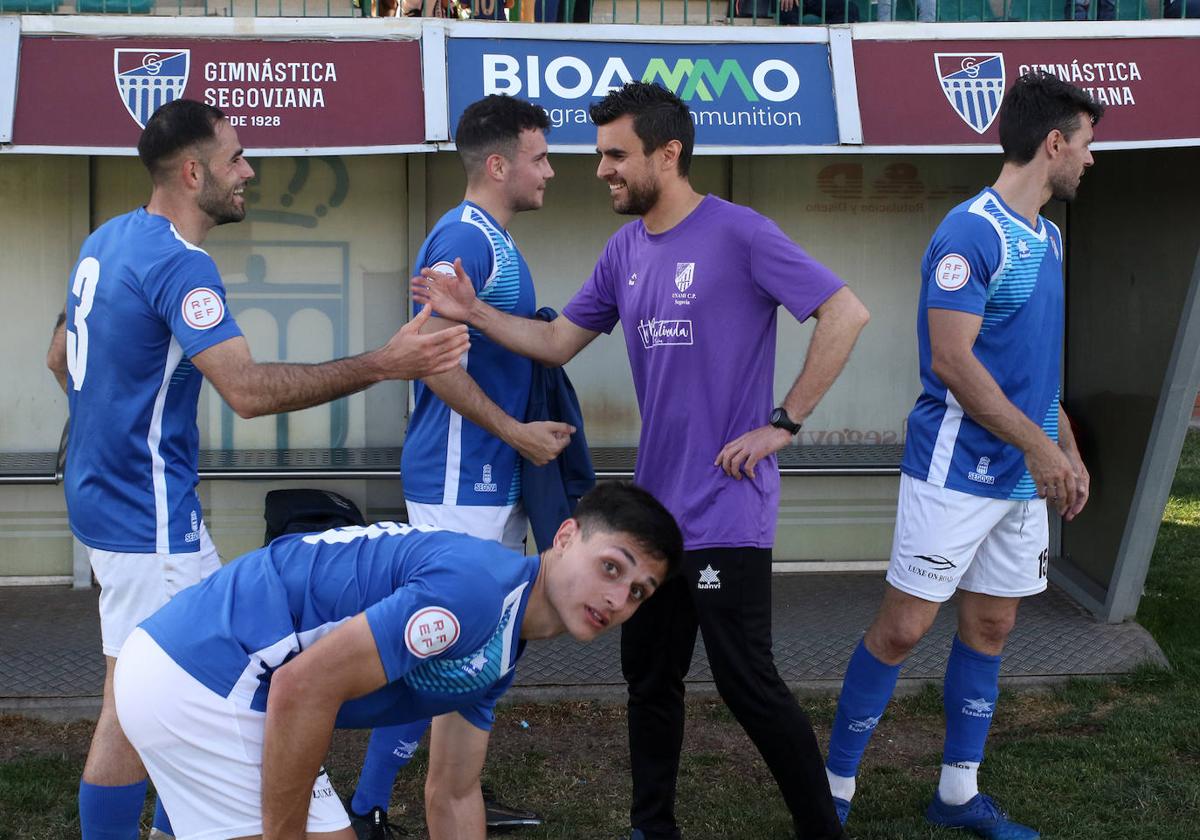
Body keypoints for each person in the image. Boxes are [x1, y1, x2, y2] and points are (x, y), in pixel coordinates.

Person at [413, 81, 870, 840]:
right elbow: (558, 342)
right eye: (599, 156)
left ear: (668, 152)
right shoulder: (624, 249)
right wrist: (476, 314)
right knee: (649, 683)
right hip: (652, 522)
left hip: (727, 506)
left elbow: (845, 312)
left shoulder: (740, 232)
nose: (601, 171)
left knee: (748, 685)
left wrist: (783, 423)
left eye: (616, 155)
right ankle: (651, 827)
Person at [44, 98, 469, 840]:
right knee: (168, 699)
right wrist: (385, 362)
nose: (249, 171)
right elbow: (246, 391)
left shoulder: (107, 239)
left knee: (153, 695)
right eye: (236, 158)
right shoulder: (182, 265)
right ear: (191, 170)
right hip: (152, 526)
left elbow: (60, 359)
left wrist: (107, 435)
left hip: (108, 509)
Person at [823, 71, 1102, 840]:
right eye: (1086, 145)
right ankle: (832, 789)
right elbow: (954, 362)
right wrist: (1040, 448)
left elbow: (1033, 364)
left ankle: (955, 794)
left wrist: (1065, 448)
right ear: (1053, 144)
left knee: (991, 628)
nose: (1091, 160)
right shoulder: (970, 232)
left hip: (1022, 472)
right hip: (956, 470)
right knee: (904, 629)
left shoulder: (1046, 236)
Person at [112, 481, 682, 839]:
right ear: (564, 537)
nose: (618, 598)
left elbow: (454, 794)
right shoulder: (477, 593)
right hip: (206, 675)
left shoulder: (504, 639)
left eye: (639, 591)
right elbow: (301, 688)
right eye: (613, 566)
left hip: (205, 671)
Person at [344, 94, 572, 838]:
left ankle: (453, 786)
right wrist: (517, 432)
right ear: (499, 164)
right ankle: (372, 805)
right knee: (449, 644)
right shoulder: (462, 237)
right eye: (539, 157)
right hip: (457, 477)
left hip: (490, 473)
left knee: (479, 643)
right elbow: (434, 364)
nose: (551, 169)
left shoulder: (492, 239)